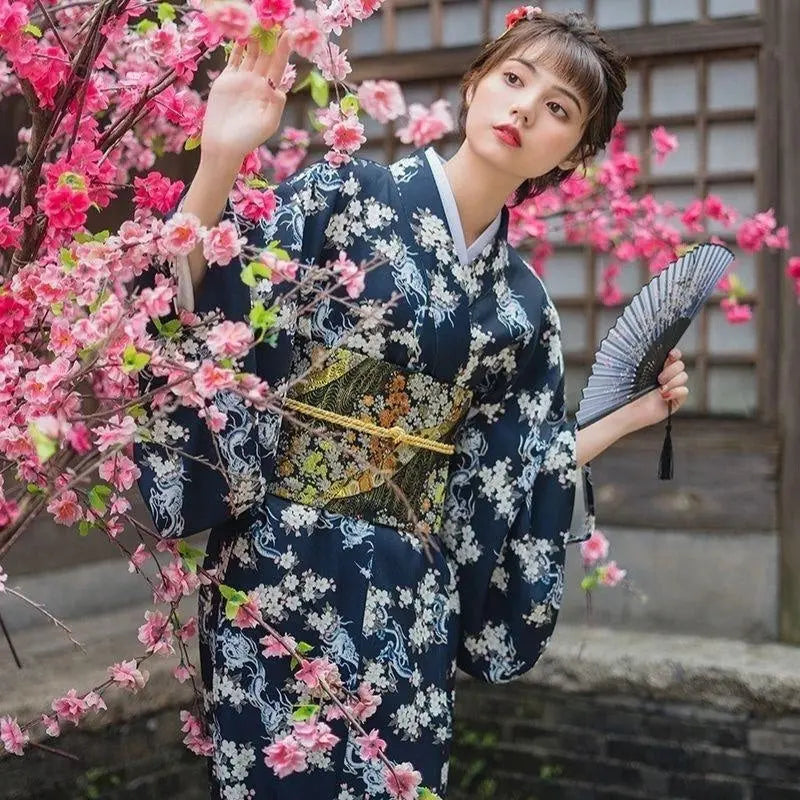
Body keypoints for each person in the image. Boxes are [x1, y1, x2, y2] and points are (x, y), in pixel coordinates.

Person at [134, 7, 690, 798]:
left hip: (410, 596)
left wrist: (633, 416)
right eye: (514, 78)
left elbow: (516, 472)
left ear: (577, 152)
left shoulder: (525, 308)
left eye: (560, 109)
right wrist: (220, 158)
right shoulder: (340, 196)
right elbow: (200, 309)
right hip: (282, 567)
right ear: (474, 84)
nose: (526, 109)